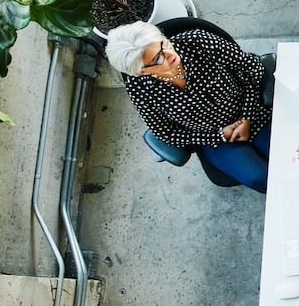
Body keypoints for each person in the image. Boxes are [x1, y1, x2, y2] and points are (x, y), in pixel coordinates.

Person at [105, 21, 272, 193]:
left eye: (163, 43)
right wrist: (219, 135)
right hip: (212, 138)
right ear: (141, 71)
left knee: (291, 157)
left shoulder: (199, 41)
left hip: (251, 111)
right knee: (259, 178)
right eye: (157, 58)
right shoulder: (138, 87)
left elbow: (253, 68)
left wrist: (246, 117)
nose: (169, 53)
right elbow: (165, 133)